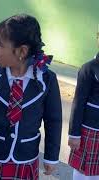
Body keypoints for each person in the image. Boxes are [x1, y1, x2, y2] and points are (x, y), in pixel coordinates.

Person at [0, 14, 62, 179]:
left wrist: (51, 156)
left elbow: (53, 120)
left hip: (25, 156)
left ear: (22, 51)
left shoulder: (47, 79)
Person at [68, 32, 99, 179]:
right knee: (83, 174)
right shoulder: (89, 68)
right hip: (90, 131)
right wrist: (74, 134)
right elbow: (78, 102)